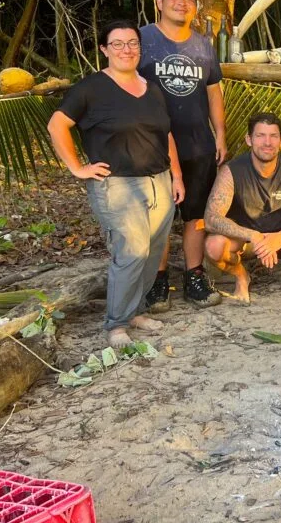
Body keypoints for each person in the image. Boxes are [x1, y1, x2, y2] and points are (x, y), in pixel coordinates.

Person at [47, 21, 185, 348]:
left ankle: (136, 312)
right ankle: (117, 324)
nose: (127, 49)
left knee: (152, 252)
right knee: (132, 252)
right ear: (104, 49)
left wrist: (177, 175)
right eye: (118, 44)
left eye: (132, 43)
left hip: (159, 181)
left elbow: (165, 134)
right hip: (118, 187)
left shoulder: (152, 89)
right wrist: (77, 168)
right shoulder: (91, 88)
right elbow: (57, 125)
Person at [138, 0, 227, 311]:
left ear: (195, 7)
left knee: (196, 215)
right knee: (158, 217)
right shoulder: (141, 39)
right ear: (159, 3)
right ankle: (158, 280)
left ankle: (194, 277)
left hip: (198, 144)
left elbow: (213, 92)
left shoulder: (203, 45)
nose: (182, 2)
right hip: (152, 145)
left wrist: (220, 133)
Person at [203, 112, 281, 301]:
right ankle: (241, 276)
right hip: (246, 241)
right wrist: (253, 236)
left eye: (273, 136)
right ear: (249, 140)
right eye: (260, 135)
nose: (267, 142)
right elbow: (211, 218)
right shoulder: (231, 171)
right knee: (214, 246)